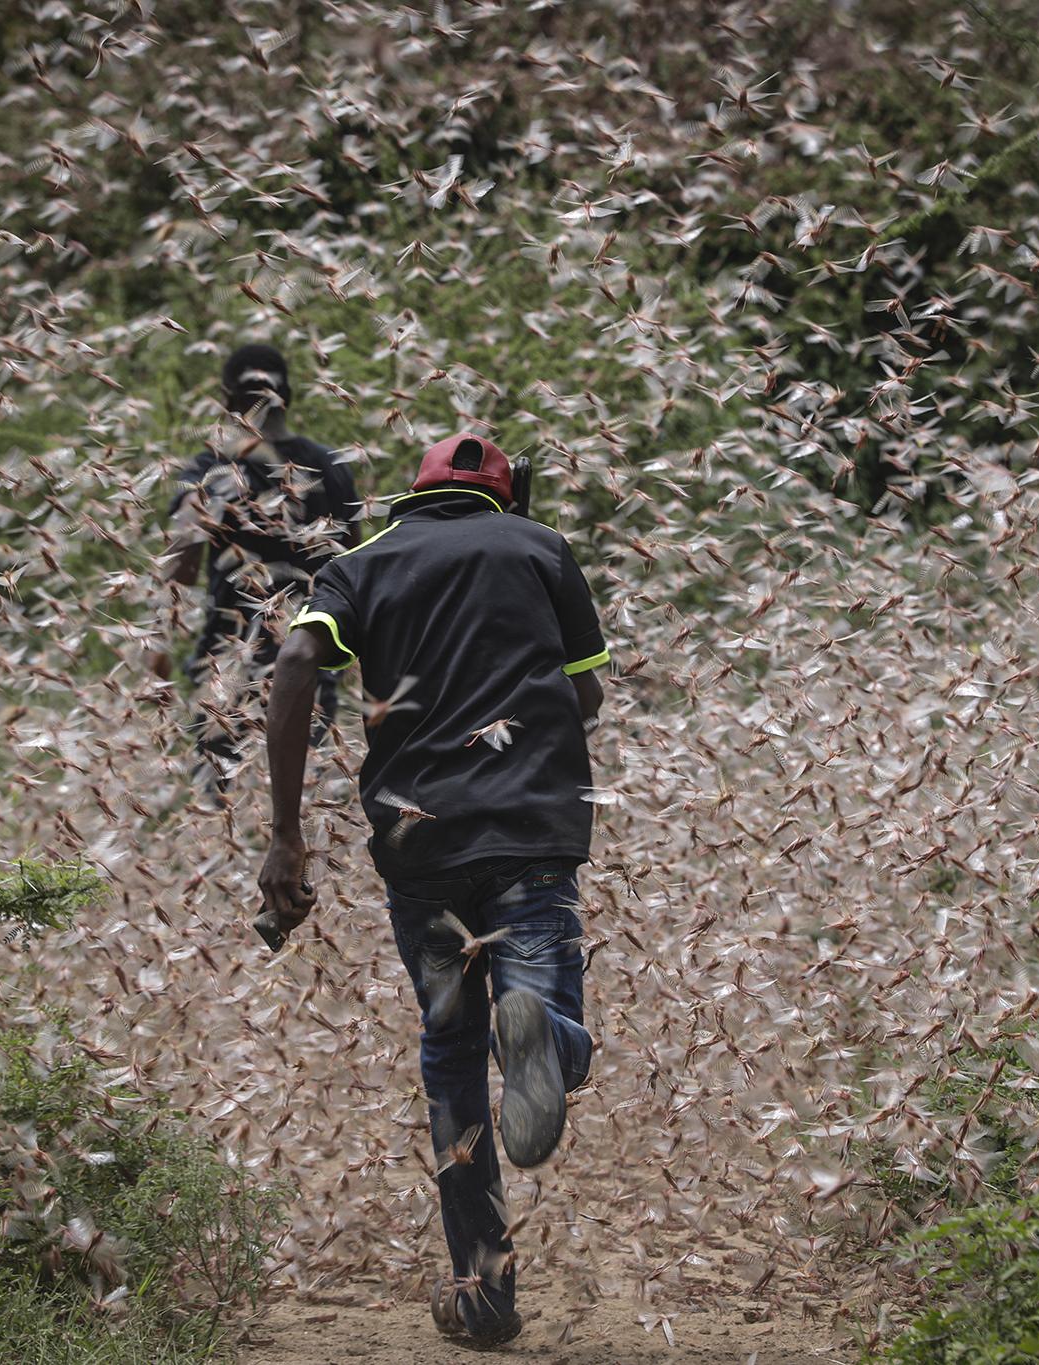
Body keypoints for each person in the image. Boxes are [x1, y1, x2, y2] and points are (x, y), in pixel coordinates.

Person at [255, 433, 610, 1348]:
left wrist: (287, 836)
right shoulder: (539, 548)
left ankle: (484, 1292)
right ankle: (544, 1037)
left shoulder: (362, 564)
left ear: (413, 496)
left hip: (422, 848)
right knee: (543, 1010)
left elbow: (294, 667)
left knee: (450, 1053)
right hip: (533, 832)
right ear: (502, 494)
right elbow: (588, 695)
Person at [156, 344, 359, 783]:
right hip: (310, 658)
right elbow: (356, 571)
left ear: (227, 401)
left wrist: (158, 658)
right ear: (290, 396)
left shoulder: (211, 469)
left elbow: (181, 573)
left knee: (220, 804)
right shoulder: (332, 467)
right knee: (299, 795)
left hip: (226, 664)